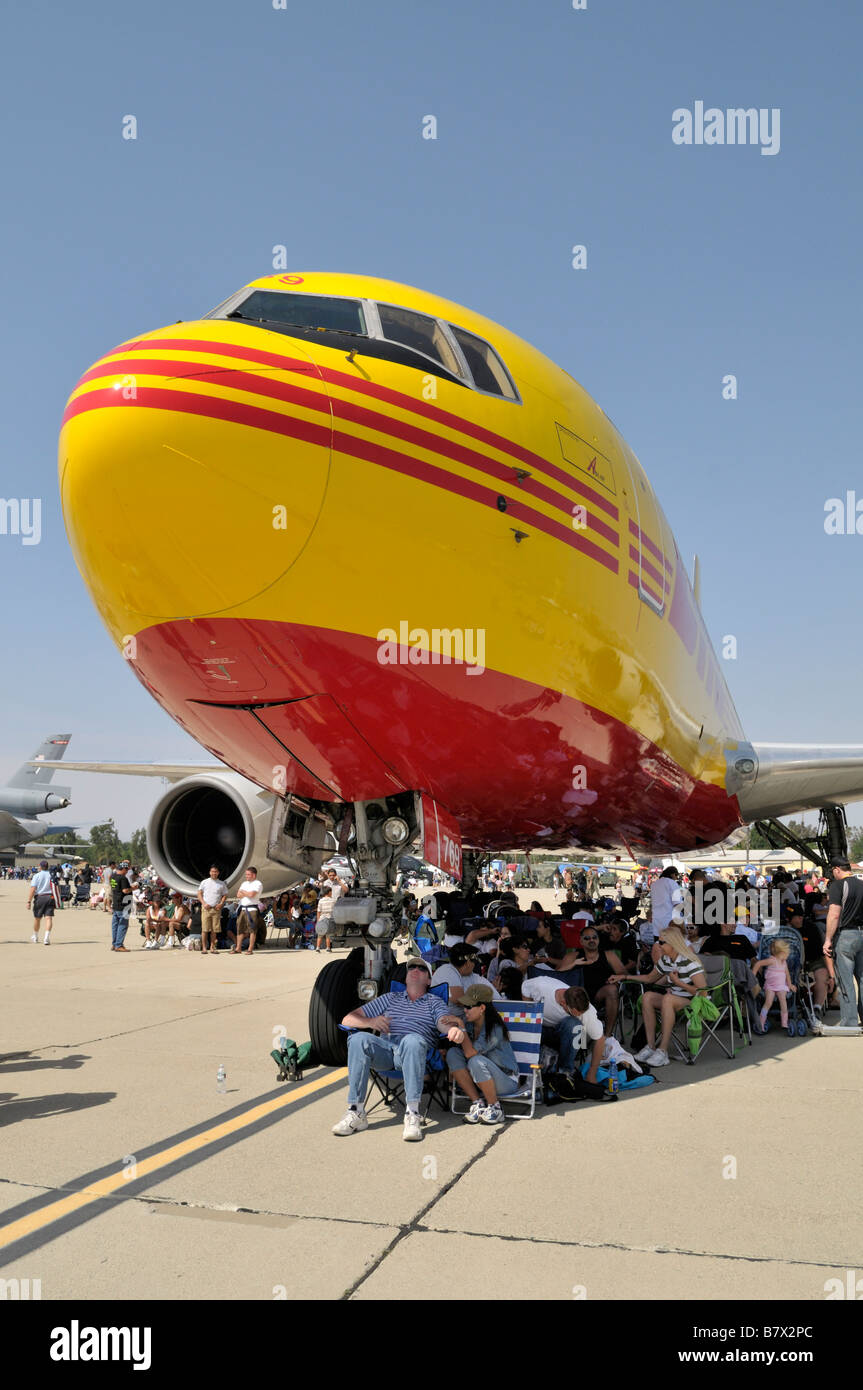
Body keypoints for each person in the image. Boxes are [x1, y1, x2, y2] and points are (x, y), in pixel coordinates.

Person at [332, 958, 462, 1141]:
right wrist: (370, 1022)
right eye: (412, 968)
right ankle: (356, 1111)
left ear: (429, 980)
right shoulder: (390, 998)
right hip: (386, 1051)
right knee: (357, 1039)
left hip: (415, 1053)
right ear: (406, 978)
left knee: (412, 1040)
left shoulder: (434, 1001)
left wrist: (453, 1030)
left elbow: (443, 1023)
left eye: (422, 969)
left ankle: (412, 1114)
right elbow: (347, 1019)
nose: (415, 970)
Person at [623, 925, 707, 1066]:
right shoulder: (666, 960)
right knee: (647, 997)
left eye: (662, 942)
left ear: (673, 943)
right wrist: (624, 977)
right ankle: (650, 1047)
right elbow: (650, 978)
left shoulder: (689, 961)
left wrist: (678, 983)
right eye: (658, 941)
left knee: (668, 999)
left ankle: (663, 1051)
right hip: (675, 999)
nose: (658, 945)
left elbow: (703, 991)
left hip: (696, 1001)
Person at [446, 983, 520, 1124]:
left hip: (507, 1080)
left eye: (468, 1007)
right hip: (484, 1077)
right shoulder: (471, 1024)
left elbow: (469, 1053)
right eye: (464, 1006)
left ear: (482, 1008)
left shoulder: (495, 1029)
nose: (465, 1010)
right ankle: (478, 1104)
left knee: (475, 1060)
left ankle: (495, 1108)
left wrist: (460, 1026)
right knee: (453, 1053)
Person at [521, 978, 606, 1084]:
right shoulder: (541, 986)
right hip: (539, 1028)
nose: (580, 1015)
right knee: (526, 1025)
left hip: (563, 1033)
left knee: (574, 1025)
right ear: (563, 1003)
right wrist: (530, 1013)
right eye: (576, 1013)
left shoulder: (587, 1011)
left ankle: (565, 1071)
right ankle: (528, 1072)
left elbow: (600, 1039)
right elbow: (525, 989)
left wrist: (592, 1073)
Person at [824, 855, 863, 1028]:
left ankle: (849, 1021)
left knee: (846, 980)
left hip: (846, 935)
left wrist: (827, 939)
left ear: (837, 869)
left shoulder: (837, 886)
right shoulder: (862, 884)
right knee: (862, 979)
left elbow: (834, 914)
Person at [570, 926, 627, 1033]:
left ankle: (608, 1036)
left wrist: (616, 978)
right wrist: (573, 964)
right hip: (578, 995)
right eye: (587, 938)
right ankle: (581, 1042)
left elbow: (623, 973)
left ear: (598, 940)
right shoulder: (574, 956)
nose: (591, 940)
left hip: (600, 994)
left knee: (612, 990)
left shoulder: (609, 955)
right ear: (581, 941)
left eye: (594, 937)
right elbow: (558, 972)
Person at [430, 943, 501, 1007]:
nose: (474, 965)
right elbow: (459, 1000)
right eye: (474, 961)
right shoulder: (447, 970)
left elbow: (497, 999)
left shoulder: (473, 977)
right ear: (468, 962)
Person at [752, 938, 796, 1029]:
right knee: (768, 1002)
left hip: (781, 986)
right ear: (781, 953)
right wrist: (753, 976)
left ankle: (784, 1022)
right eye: (787, 953)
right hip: (770, 986)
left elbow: (787, 975)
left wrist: (790, 984)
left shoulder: (784, 963)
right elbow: (758, 964)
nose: (788, 955)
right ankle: (761, 1021)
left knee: (783, 1001)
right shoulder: (772, 960)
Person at [649, 866, 683, 946]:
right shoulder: (672, 883)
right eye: (676, 875)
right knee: (670, 947)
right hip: (669, 920)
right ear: (672, 874)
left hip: (657, 920)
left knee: (658, 945)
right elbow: (677, 903)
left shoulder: (655, 884)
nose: (676, 878)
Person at [233, 867, 263, 953]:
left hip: (252, 909)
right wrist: (246, 893)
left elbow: (252, 894)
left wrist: (244, 892)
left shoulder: (258, 883)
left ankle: (250, 948)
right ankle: (238, 948)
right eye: (246, 874)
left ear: (254, 875)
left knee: (252, 930)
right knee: (240, 929)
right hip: (242, 908)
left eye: (248, 874)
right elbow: (238, 895)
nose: (246, 876)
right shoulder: (244, 883)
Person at [198, 866, 228, 955]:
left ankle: (212, 947)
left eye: (215, 871)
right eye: (212, 871)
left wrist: (221, 903)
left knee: (214, 930)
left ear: (218, 873)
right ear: (209, 872)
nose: (214, 873)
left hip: (216, 908)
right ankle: (204, 947)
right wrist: (203, 903)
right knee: (205, 929)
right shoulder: (204, 882)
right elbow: (199, 893)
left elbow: (225, 894)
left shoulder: (221, 884)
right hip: (206, 908)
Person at [27, 860, 55, 944]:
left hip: (40, 897)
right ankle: (46, 937)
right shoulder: (52, 875)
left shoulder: (37, 876)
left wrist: (29, 901)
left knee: (37, 918)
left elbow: (33, 889)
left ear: (40, 866)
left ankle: (35, 936)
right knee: (48, 918)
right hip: (50, 897)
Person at [109, 861, 134, 952]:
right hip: (124, 904)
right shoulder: (123, 878)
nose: (127, 872)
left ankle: (114, 943)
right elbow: (125, 890)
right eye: (126, 870)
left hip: (116, 903)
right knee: (123, 924)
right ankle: (119, 945)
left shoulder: (113, 876)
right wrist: (134, 888)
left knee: (115, 925)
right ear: (123, 869)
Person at [315, 885, 335, 952]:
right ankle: (328, 948)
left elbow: (318, 911)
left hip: (322, 918)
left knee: (320, 934)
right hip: (329, 919)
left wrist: (318, 920)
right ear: (329, 892)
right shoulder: (333, 900)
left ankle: (317, 947)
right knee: (328, 934)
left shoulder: (320, 901)